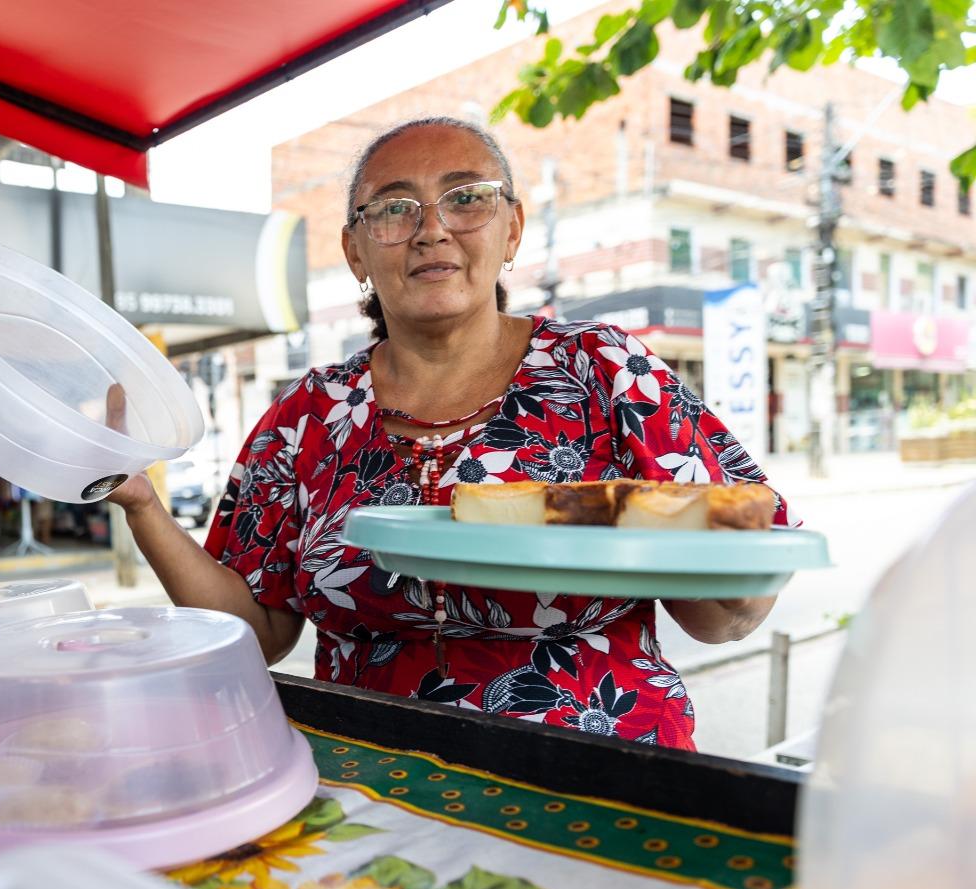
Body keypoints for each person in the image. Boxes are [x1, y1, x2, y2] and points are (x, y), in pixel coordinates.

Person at [107, 116, 789, 750]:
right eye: (395, 209)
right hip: (374, 779)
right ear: (355, 251)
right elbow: (255, 633)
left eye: (466, 199)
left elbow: (725, 616)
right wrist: (143, 507)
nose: (431, 229)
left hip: (604, 773)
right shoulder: (307, 415)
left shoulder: (606, 373)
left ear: (513, 229)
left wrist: (699, 557)